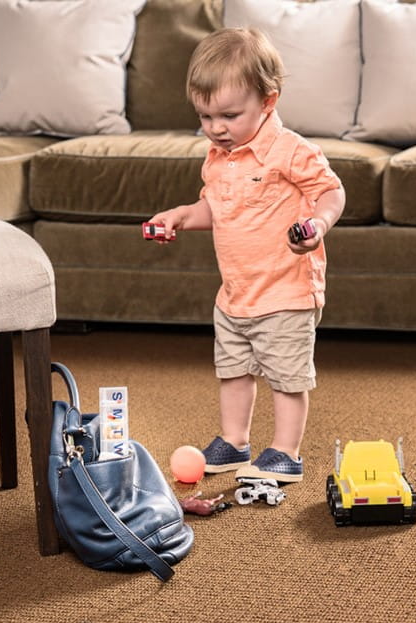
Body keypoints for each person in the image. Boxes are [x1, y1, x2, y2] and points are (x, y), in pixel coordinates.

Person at [147, 27, 345, 483]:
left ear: (268, 102)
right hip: (235, 292)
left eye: (230, 116)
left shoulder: (290, 151)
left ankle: (285, 451)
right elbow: (213, 208)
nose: (217, 128)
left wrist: (317, 225)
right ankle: (234, 442)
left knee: (286, 376)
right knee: (233, 369)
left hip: (286, 289)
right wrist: (181, 215)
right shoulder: (218, 156)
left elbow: (331, 192)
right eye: (205, 116)